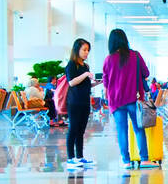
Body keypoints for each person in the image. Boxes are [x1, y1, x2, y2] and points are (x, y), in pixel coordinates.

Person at [102, 28, 156, 172]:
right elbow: (146, 73)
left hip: (116, 100)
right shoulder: (136, 56)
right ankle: (144, 159)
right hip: (134, 98)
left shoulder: (108, 59)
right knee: (138, 129)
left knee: (122, 131)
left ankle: (126, 161)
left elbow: (106, 82)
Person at [64, 37, 95, 169]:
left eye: (88, 50)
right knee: (73, 129)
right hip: (74, 102)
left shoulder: (85, 66)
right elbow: (71, 82)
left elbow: (85, 85)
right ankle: (70, 158)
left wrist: (97, 82)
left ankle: (80, 157)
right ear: (77, 50)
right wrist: (86, 75)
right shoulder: (71, 65)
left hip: (84, 102)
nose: (86, 52)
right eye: (84, 50)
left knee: (81, 130)